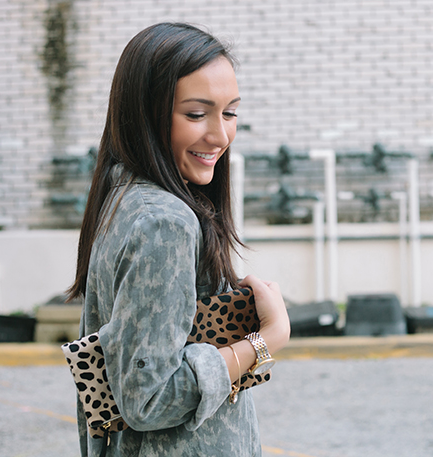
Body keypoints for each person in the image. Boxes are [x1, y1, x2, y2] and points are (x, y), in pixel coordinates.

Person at [67, 22, 290, 457]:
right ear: (145, 115)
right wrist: (266, 340)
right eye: (195, 114)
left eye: (230, 113)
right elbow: (148, 399)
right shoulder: (164, 222)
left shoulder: (124, 198)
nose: (220, 136)